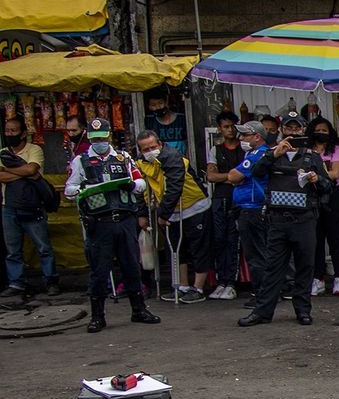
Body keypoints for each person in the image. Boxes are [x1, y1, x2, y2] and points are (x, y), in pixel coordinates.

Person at [64, 117, 160, 332]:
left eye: (103, 137)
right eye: (94, 138)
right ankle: (98, 316)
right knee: (99, 271)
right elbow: (69, 190)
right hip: (99, 222)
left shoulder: (123, 157)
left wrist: (131, 185)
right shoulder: (81, 160)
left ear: (109, 136)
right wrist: (84, 189)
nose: (99, 141)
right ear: (89, 138)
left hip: (125, 220)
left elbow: (141, 183)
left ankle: (139, 310)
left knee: (131, 266)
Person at [238, 114, 332, 326]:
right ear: (281, 131)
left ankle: (303, 311)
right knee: (273, 268)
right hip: (277, 220)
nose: (292, 133)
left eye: (297, 129)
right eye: (289, 129)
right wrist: (274, 154)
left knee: (304, 267)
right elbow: (256, 172)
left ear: (303, 131)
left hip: (304, 220)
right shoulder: (272, 154)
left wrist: (317, 179)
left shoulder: (311, 157)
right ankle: (262, 312)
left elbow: (329, 187)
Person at [135, 130, 211, 304]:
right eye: (145, 149)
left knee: (199, 247)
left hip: (193, 205)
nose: (150, 151)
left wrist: (162, 214)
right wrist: (142, 213)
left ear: (160, 144)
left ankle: (198, 288)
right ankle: (182, 286)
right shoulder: (140, 162)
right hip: (171, 211)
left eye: (153, 147)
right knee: (176, 248)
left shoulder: (173, 157)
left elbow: (174, 187)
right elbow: (142, 189)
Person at [1, 117, 59, 296]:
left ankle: (51, 281)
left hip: (33, 206)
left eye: (13, 130)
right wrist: (23, 172)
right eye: (7, 130)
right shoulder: (3, 152)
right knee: (13, 250)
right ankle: (16, 283)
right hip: (8, 207)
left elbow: (31, 170)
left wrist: (8, 170)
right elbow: (3, 176)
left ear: (24, 133)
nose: (10, 134)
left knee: (43, 247)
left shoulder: (34, 149)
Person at [227, 121, 269, 305]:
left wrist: (235, 177)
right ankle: (263, 294)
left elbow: (233, 176)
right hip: (247, 207)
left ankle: (262, 295)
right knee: (255, 253)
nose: (241, 139)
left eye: (245, 135)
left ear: (257, 136)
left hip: (253, 209)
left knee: (256, 254)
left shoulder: (258, 154)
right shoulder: (251, 153)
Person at [204, 111, 244, 299]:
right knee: (219, 239)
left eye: (232, 126)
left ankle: (231, 282)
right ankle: (222, 281)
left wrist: (226, 177)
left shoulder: (244, 149)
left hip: (238, 198)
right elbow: (211, 176)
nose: (230, 130)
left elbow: (244, 176)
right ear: (220, 128)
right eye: (226, 126)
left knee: (233, 239)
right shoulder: (216, 150)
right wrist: (231, 177)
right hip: (220, 198)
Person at [308, 116, 339, 297]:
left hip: (334, 197)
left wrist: (316, 174)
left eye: (325, 130)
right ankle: (318, 278)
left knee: (334, 238)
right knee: (316, 239)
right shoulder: (307, 150)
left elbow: (336, 173)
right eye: (318, 130)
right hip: (313, 197)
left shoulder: (336, 149)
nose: (321, 133)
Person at [146, 89, 189, 159]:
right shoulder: (149, 121)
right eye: (153, 105)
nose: (157, 107)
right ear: (149, 107)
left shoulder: (181, 119)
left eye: (160, 103)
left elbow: (188, 142)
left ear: (166, 102)